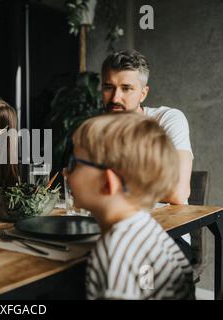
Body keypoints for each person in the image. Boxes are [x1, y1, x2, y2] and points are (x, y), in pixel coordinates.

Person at [65, 112, 195, 300]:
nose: (65, 173)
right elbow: (146, 286)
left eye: (74, 164)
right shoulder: (149, 234)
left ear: (108, 183)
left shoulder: (115, 255)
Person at [101, 49, 193, 205]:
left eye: (126, 88)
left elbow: (177, 192)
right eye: (109, 87)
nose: (115, 97)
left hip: (166, 227)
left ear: (143, 94)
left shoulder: (167, 120)